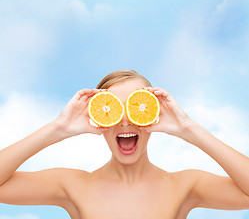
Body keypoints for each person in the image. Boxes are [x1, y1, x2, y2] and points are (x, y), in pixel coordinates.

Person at [0, 69, 249, 219]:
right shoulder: (72, 185)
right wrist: (57, 129)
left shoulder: (184, 185)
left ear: (153, 114)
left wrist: (188, 128)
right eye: (113, 109)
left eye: (136, 107)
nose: (125, 122)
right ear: (98, 118)